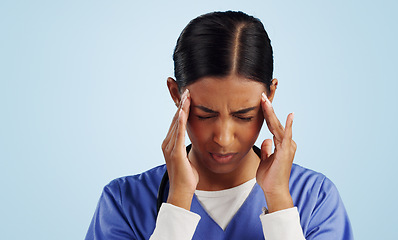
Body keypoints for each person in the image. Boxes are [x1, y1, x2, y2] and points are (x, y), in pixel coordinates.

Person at [85, 11, 353, 240]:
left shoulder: (316, 198)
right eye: (204, 115)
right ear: (176, 95)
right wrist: (178, 199)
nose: (223, 138)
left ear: (269, 97)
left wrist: (279, 200)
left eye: (244, 116)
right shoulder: (123, 203)